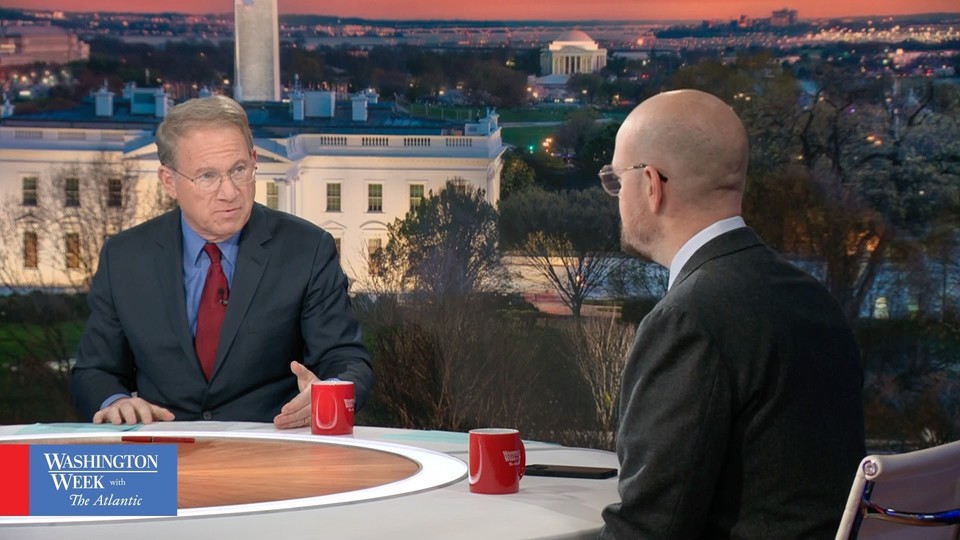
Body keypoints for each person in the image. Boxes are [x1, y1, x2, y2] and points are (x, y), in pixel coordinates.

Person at [597, 89, 865, 539]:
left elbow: (650, 528)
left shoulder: (688, 320)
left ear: (651, 185)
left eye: (616, 180)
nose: (616, 196)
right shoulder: (811, 298)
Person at [71, 94, 373, 429]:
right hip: (163, 455)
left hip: (272, 453)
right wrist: (117, 403)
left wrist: (328, 392)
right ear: (169, 182)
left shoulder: (307, 250)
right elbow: (94, 370)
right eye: (207, 176)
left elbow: (346, 360)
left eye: (239, 170)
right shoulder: (125, 257)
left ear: (255, 160)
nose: (229, 192)